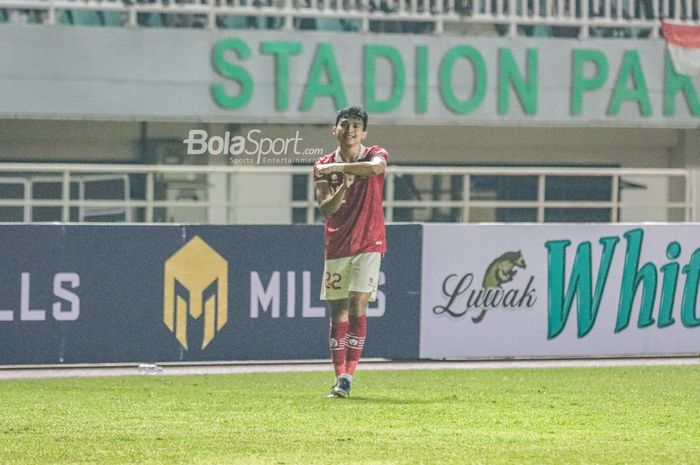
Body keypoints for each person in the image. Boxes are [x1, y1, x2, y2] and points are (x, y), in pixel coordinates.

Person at [313, 105, 388, 398]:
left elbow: (376, 169)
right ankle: (338, 375)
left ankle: (347, 377)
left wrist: (338, 168)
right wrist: (342, 188)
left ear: (364, 133)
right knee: (338, 310)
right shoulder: (321, 165)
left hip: (370, 241)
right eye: (345, 124)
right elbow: (325, 209)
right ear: (335, 130)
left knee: (358, 303)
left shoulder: (375, 153)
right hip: (337, 245)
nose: (351, 130)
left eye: (357, 125)